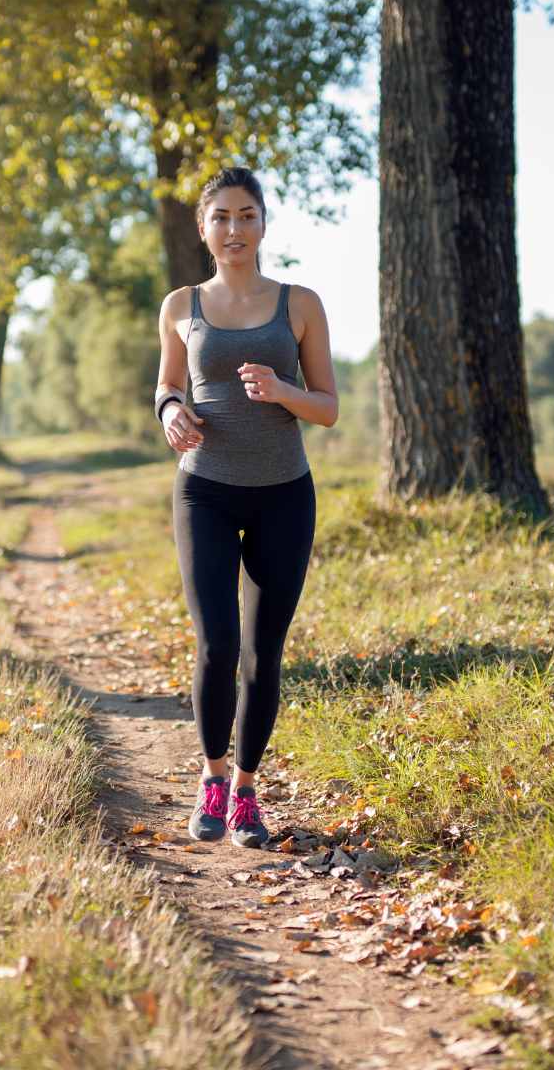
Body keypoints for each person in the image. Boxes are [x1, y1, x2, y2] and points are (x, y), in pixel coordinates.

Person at [153, 167, 338, 848]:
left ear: (264, 224)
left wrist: (282, 389)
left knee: (263, 653)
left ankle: (247, 791)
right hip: (203, 487)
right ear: (203, 228)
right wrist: (171, 410)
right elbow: (167, 384)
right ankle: (210, 777)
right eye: (221, 217)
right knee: (217, 643)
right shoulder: (181, 306)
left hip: (284, 493)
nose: (234, 230)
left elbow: (327, 407)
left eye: (247, 216)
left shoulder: (301, 303)